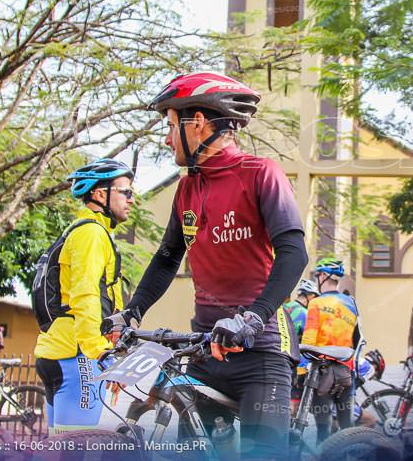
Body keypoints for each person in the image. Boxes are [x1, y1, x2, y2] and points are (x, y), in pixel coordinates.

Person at [103, 72, 307, 458]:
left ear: (196, 123)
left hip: (261, 353)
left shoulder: (261, 173)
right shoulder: (187, 187)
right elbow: (166, 259)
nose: (166, 139)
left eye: (170, 126)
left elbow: (294, 253)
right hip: (205, 351)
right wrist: (131, 313)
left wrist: (251, 319)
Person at [34, 158, 134, 433]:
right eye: (126, 191)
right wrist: (100, 352)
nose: (132, 199)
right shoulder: (91, 234)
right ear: (101, 194)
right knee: (78, 447)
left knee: (60, 447)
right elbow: (85, 295)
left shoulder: (78, 231)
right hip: (77, 355)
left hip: (58, 349)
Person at [300, 259, 359, 443]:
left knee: (323, 431)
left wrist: (300, 371)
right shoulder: (352, 304)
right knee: (347, 427)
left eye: (318, 275)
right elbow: (357, 340)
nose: (318, 278)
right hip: (347, 373)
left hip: (321, 374)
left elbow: (309, 341)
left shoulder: (316, 303)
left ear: (324, 276)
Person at [285, 278, 319, 411]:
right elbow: (308, 341)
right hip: (293, 360)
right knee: (294, 399)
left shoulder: (284, 307)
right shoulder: (305, 314)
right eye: (314, 297)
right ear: (309, 296)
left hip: (276, 356)